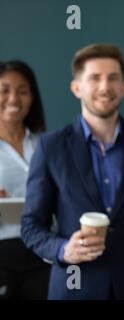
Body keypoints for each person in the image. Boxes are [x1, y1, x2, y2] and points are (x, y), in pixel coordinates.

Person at [21, 44, 124, 299]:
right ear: (77, 87)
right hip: (74, 288)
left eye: (113, 78)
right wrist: (62, 249)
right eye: (94, 78)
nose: (105, 87)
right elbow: (31, 225)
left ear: (123, 86)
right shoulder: (50, 147)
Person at [0, 60, 50, 299]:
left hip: (43, 250)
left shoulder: (47, 144)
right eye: (4, 90)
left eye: (22, 91)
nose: (13, 99)